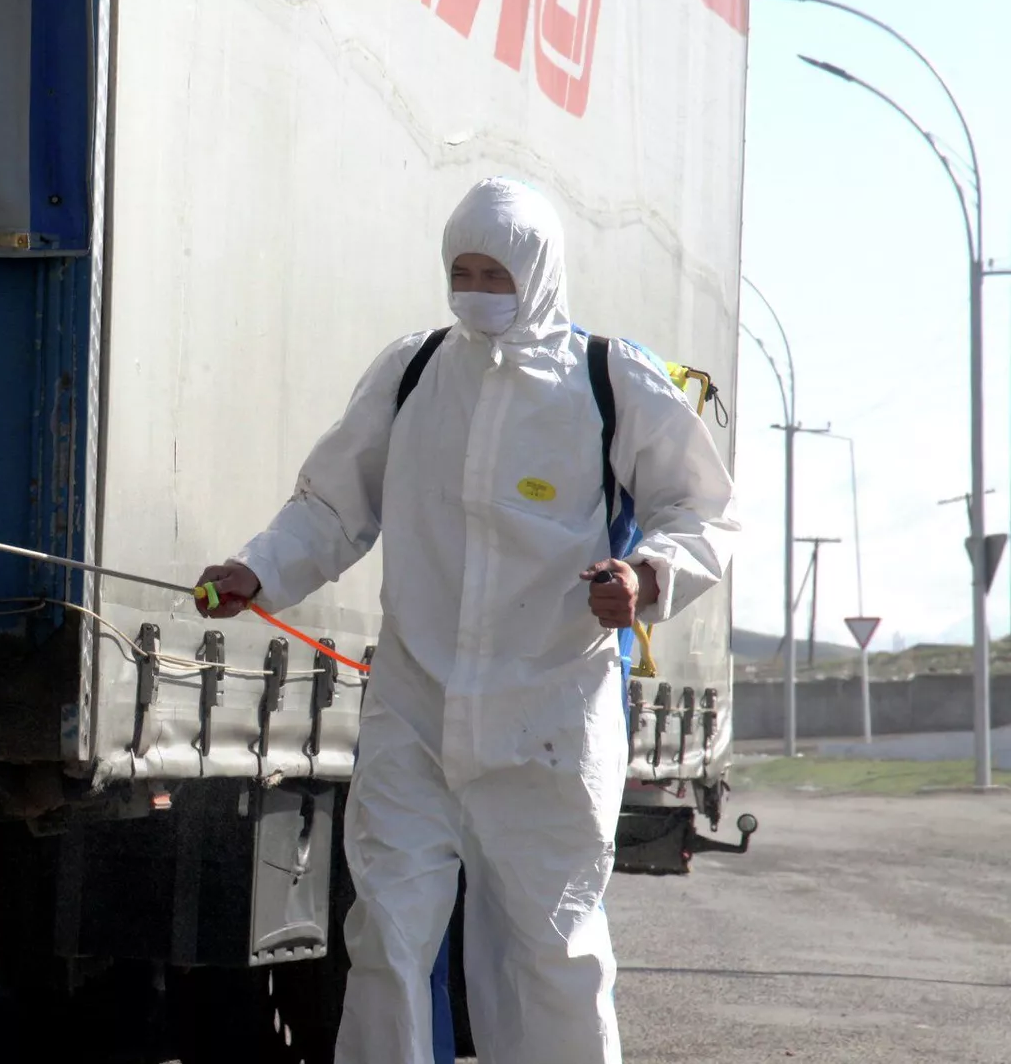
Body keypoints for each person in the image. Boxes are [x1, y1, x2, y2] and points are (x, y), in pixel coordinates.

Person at [195, 176, 738, 1064]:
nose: (477, 291)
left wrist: (646, 576)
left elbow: (702, 510)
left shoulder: (608, 379)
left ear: (541, 273)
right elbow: (331, 506)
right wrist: (260, 569)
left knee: (551, 954)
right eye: (463, 272)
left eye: (497, 275)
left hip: (549, 721)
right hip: (415, 713)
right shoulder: (412, 372)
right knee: (386, 937)